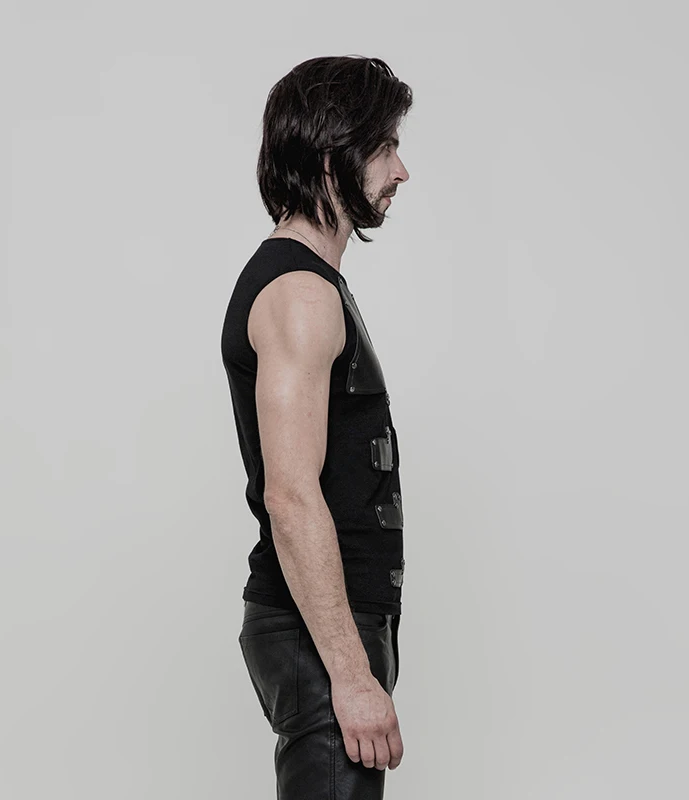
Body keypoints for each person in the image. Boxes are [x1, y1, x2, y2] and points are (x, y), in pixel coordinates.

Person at [220, 54, 412, 799]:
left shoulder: (311, 284)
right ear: (335, 159)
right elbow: (292, 494)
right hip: (320, 633)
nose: (401, 172)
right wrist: (351, 675)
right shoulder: (300, 293)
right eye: (386, 147)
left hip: (330, 628)